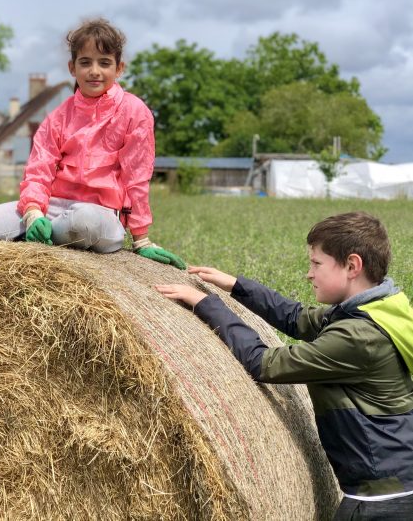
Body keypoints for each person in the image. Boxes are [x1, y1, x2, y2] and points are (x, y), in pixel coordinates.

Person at [155, 211, 413, 519]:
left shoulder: (358, 337)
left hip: (382, 500)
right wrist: (236, 285)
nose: (309, 274)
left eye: (316, 263)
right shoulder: (376, 310)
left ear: (352, 266)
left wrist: (205, 304)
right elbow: (296, 317)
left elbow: (264, 363)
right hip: (392, 484)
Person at [0, 18, 184, 267]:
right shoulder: (57, 117)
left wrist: (141, 238)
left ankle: (30, 244)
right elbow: (38, 172)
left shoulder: (135, 112)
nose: (94, 71)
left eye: (104, 63)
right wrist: (33, 212)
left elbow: (137, 178)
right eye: (85, 62)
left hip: (103, 216)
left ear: (119, 68)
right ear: (72, 68)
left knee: (83, 222)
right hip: (52, 208)